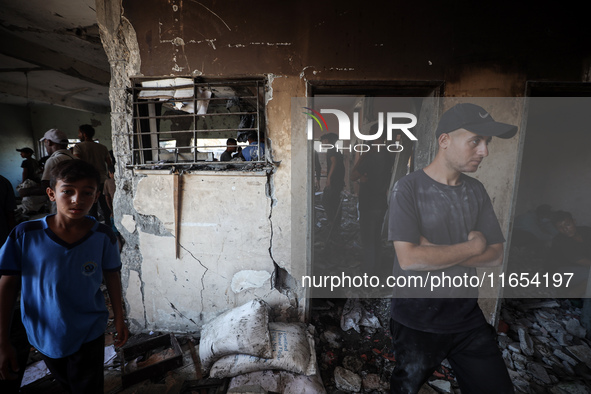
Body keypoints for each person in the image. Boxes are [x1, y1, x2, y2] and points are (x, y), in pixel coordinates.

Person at [388, 103, 516, 393]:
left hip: (466, 317)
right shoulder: (407, 189)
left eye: (487, 143)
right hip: (416, 319)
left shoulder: (476, 191)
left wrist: (435, 251)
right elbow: (409, 259)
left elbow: (496, 255)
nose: (484, 151)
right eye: (475, 141)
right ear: (444, 141)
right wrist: (473, 245)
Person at [0, 160, 128, 393]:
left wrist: (119, 317)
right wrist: (3, 339)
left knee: (88, 387)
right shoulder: (25, 235)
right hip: (44, 332)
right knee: (66, 383)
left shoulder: (103, 236)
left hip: (89, 328)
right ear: (51, 193)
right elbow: (7, 286)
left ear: (96, 195)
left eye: (87, 193)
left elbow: (112, 276)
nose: (77, 200)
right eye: (67, 191)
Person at [351, 127, 393, 276]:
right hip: (381, 203)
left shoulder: (370, 157)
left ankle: (369, 275)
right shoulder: (389, 156)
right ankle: (376, 271)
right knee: (376, 240)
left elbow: (352, 176)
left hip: (368, 204)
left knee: (368, 241)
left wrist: (361, 157)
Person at [18, 129, 75, 209]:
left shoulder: (54, 160)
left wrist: (26, 191)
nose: (45, 145)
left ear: (49, 142)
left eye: (45, 142)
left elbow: (47, 187)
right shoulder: (75, 158)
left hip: (61, 204)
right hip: (74, 201)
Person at [73, 124, 113, 221]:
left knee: (91, 208)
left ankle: (94, 228)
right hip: (102, 180)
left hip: (88, 181)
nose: (78, 136)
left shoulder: (78, 147)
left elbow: (77, 162)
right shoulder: (102, 147)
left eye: (79, 133)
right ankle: (108, 228)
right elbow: (109, 163)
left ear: (85, 134)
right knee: (106, 207)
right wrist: (109, 176)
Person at [321, 132, 345, 231]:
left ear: (328, 140)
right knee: (334, 202)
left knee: (326, 201)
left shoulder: (331, 150)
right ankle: (335, 224)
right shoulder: (336, 150)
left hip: (334, 181)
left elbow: (334, 162)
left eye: (323, 141)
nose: (322, 143)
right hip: (338, 180)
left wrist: (329, 178)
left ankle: (333, 222)